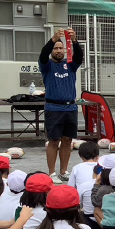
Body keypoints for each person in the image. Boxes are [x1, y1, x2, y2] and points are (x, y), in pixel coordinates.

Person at [39, 27, 82, 184]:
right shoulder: (47, 66)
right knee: (53, 141)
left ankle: (63, 171)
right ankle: (52, 173)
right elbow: (43, 54)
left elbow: (79, 56)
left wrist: (74, 41)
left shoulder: (70, 65)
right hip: (53, 108)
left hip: (70, 108)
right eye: (55, 48)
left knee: (67, 140)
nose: (58, 51)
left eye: (61, 48)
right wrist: (53, 39)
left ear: (65, 50)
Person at [69, 141, 100, 229]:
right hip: (105, 217)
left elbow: (70, 190)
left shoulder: (77, 168)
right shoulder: (104, 168)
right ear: (98, 156)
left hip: (88, 217)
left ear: (82, 157)